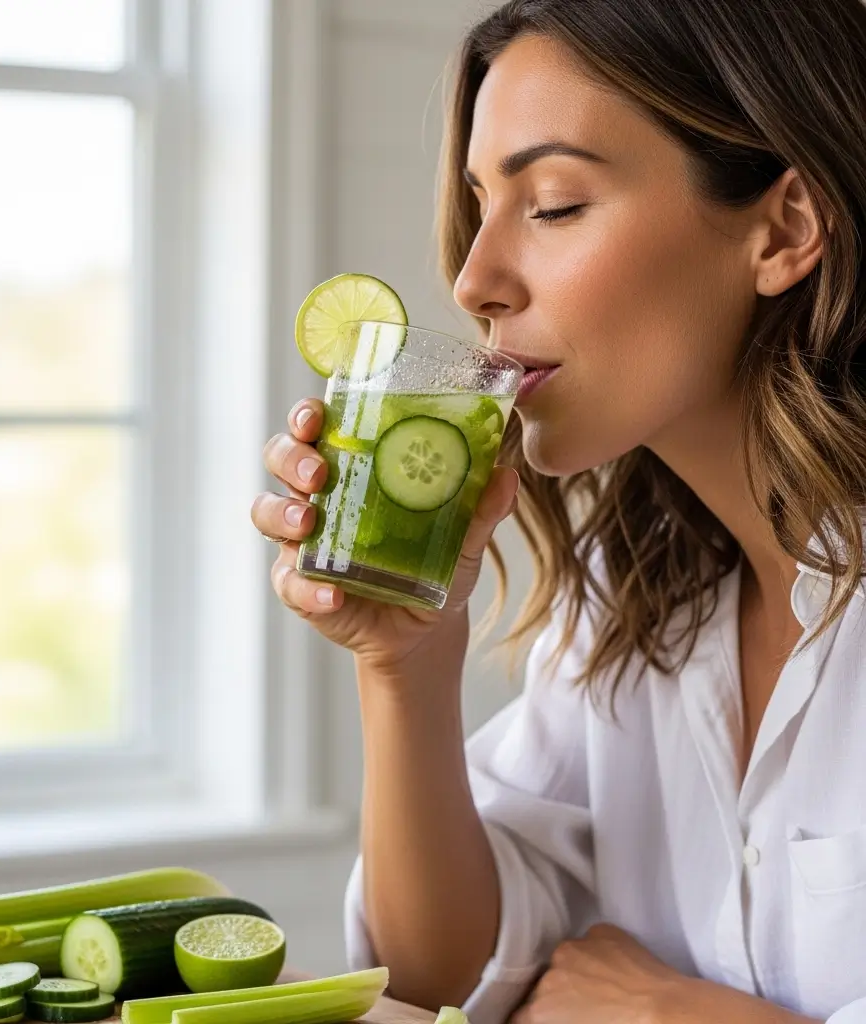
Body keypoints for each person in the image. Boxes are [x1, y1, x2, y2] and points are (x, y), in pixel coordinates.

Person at [250, 0, 866, 1021]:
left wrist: (681, 1014)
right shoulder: (631, 603)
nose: (473, 279)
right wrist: (403, 663)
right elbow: (442, 977)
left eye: (553, 205)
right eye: (479, 204)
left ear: (783, 228)